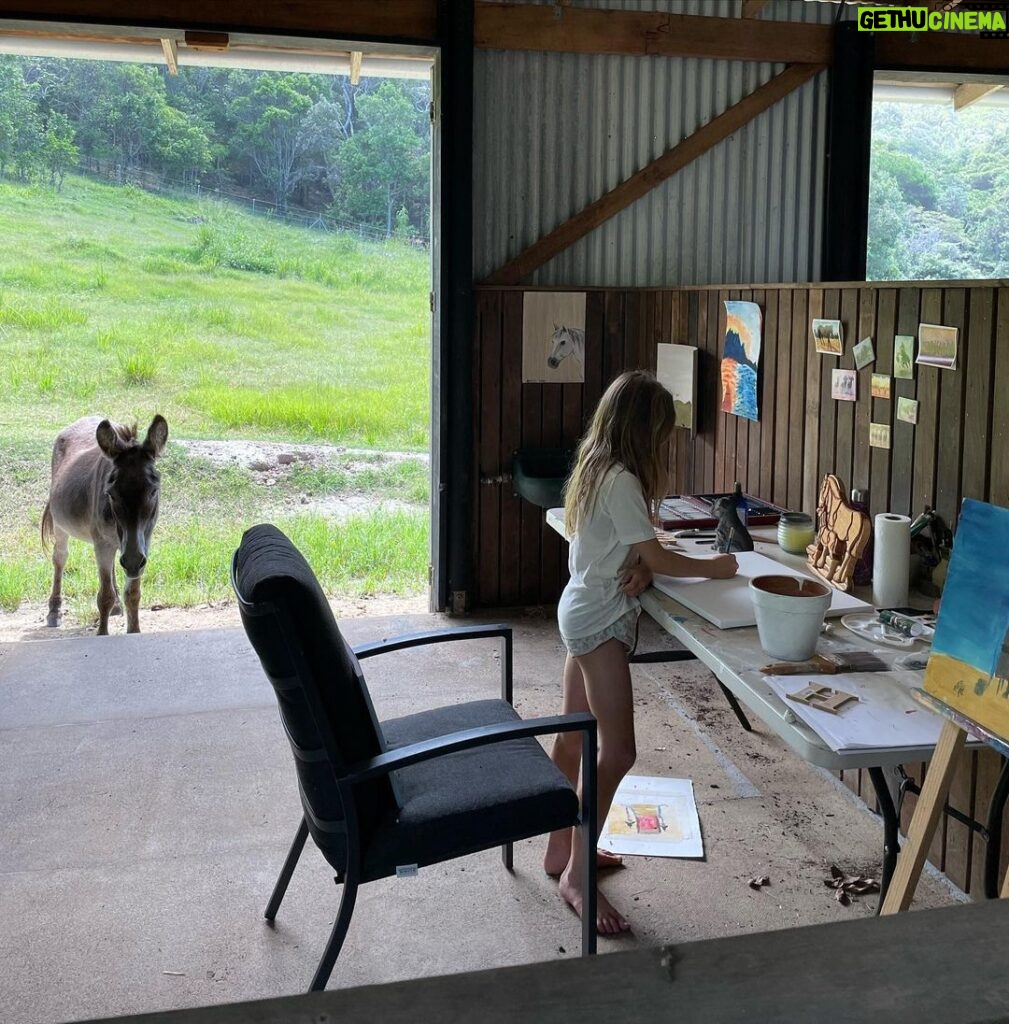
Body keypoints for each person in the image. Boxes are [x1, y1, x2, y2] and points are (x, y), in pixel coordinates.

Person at [543, 370, 738, 935]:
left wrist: (643, 563)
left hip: (579, 606)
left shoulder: (596, 466)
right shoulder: (624, 478)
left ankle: (560, 851)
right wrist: (716, 566)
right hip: (599, 623)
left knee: (571, 738)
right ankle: (576, 874)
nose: (666, 441)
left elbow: (627, 547)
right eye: (662, 431)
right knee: (619, 751)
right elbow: (661, 555)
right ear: (643, 431)